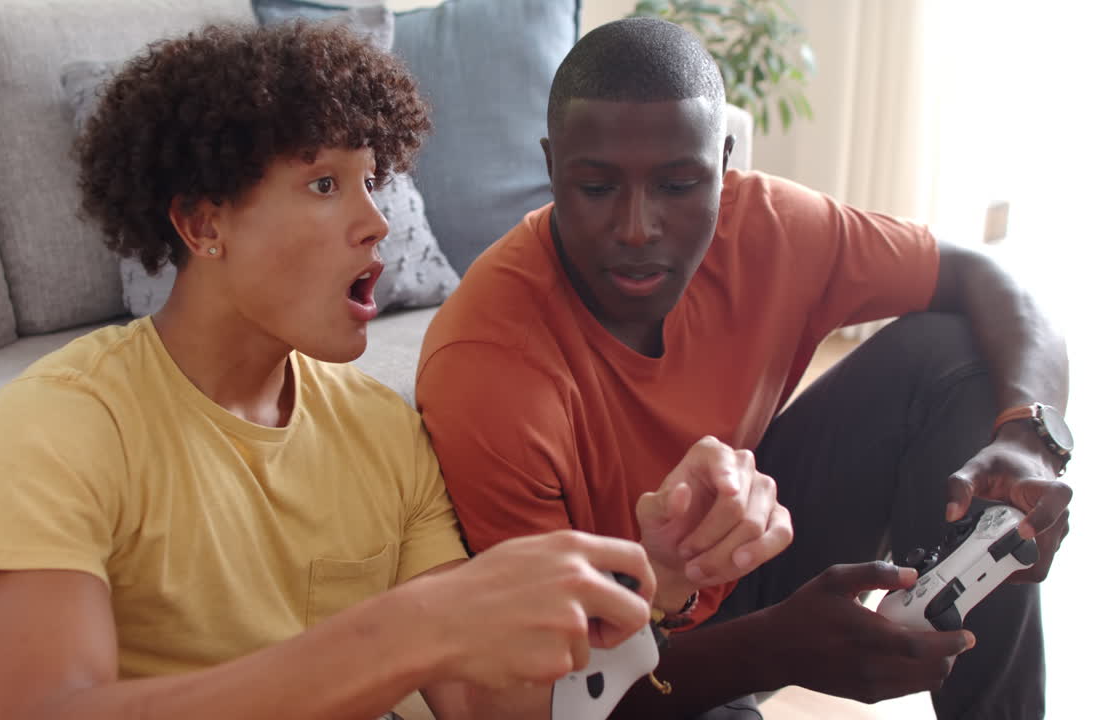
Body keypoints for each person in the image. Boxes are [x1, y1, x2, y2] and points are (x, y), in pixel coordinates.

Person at [0, 21, 711, 720]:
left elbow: (479, 705)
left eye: (373, 180)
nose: (375, 222)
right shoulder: (60, 428)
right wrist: (408, 630)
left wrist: (652, 586)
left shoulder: (383, 431)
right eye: (325, 184)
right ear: (202, 223)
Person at [416, 17, 1072, 720]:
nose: (638, 228)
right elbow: (553, 695)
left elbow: (993, 282)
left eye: (678, 185)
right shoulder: (487, 365)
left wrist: (1030, 438)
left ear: (723, 165)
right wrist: (771, 649)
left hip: (748, 562)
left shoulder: (770, 227)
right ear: (551, 167)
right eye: (598, 188)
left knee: (955, 360)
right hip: (619, 655)